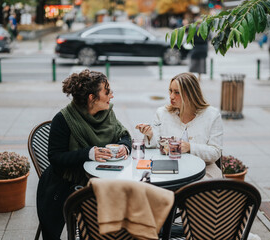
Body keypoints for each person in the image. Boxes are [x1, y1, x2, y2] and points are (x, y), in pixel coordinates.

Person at [36, 69, 132, 240]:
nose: (112, 95)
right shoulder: (64, 119)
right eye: (107, 91)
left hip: (105, 178)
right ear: (91, 98)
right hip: (69, 183)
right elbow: (56, 158)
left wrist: (125, 146)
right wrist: (88, 153)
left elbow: (123, 134)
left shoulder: (107, 112)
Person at [136, 72, 223, 179]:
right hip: (168, 170)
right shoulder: (162, 113)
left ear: (191, 94)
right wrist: (150, 135)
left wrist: (190, 147)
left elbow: (215, 152)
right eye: (170, 91)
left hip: (205, 171)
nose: (171, 96)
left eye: (177, 92)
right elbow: (155, 147)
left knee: (191, 190)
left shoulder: (212, 115)